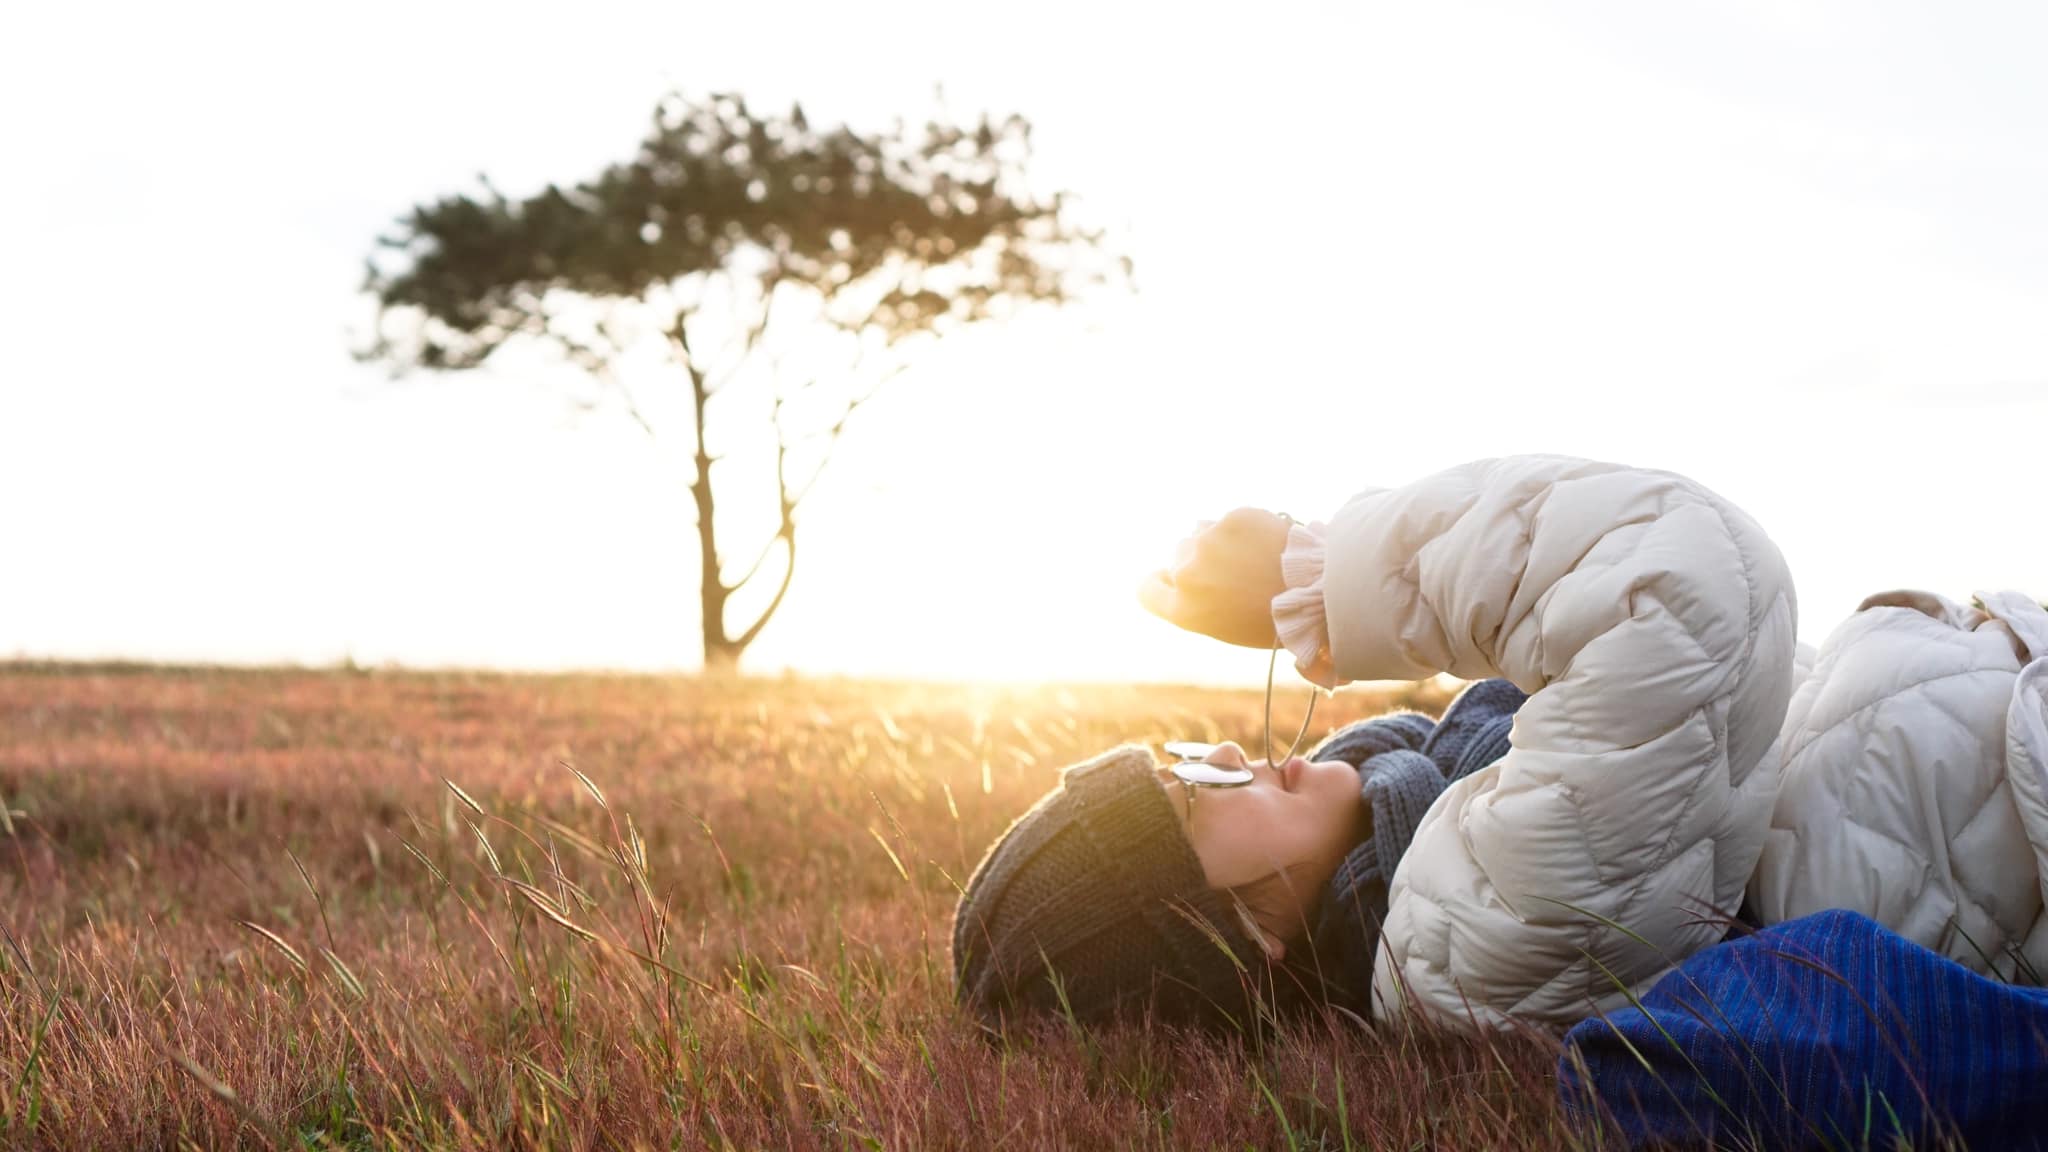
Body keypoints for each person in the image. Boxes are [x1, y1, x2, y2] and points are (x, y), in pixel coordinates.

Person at [952, 454, 1800, 1032]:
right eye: (1185, 793)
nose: (1215, 755)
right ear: (1231, 940)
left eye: (1179, 751)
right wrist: (1321, 583)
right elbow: (1691, 586)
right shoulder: (1466, 944)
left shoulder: (1436, 841)